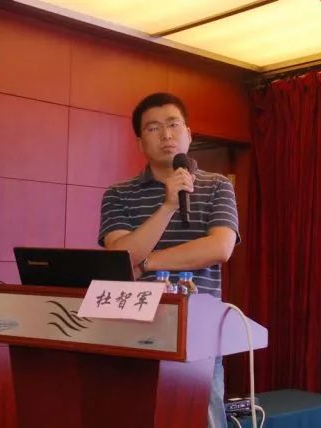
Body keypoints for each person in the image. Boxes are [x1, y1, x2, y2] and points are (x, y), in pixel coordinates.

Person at [98, 92, 240, 428]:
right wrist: (168, 206)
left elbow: (220, 247)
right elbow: (121, 256)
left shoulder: (217, 186)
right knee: (135, 416)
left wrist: (148, 263)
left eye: (174, 125)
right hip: (133, 329)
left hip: (199, 331)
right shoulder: (118, 194)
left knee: (203, 419)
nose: (166, 135)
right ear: (140, 142)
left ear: (188, 133)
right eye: (153, 128)